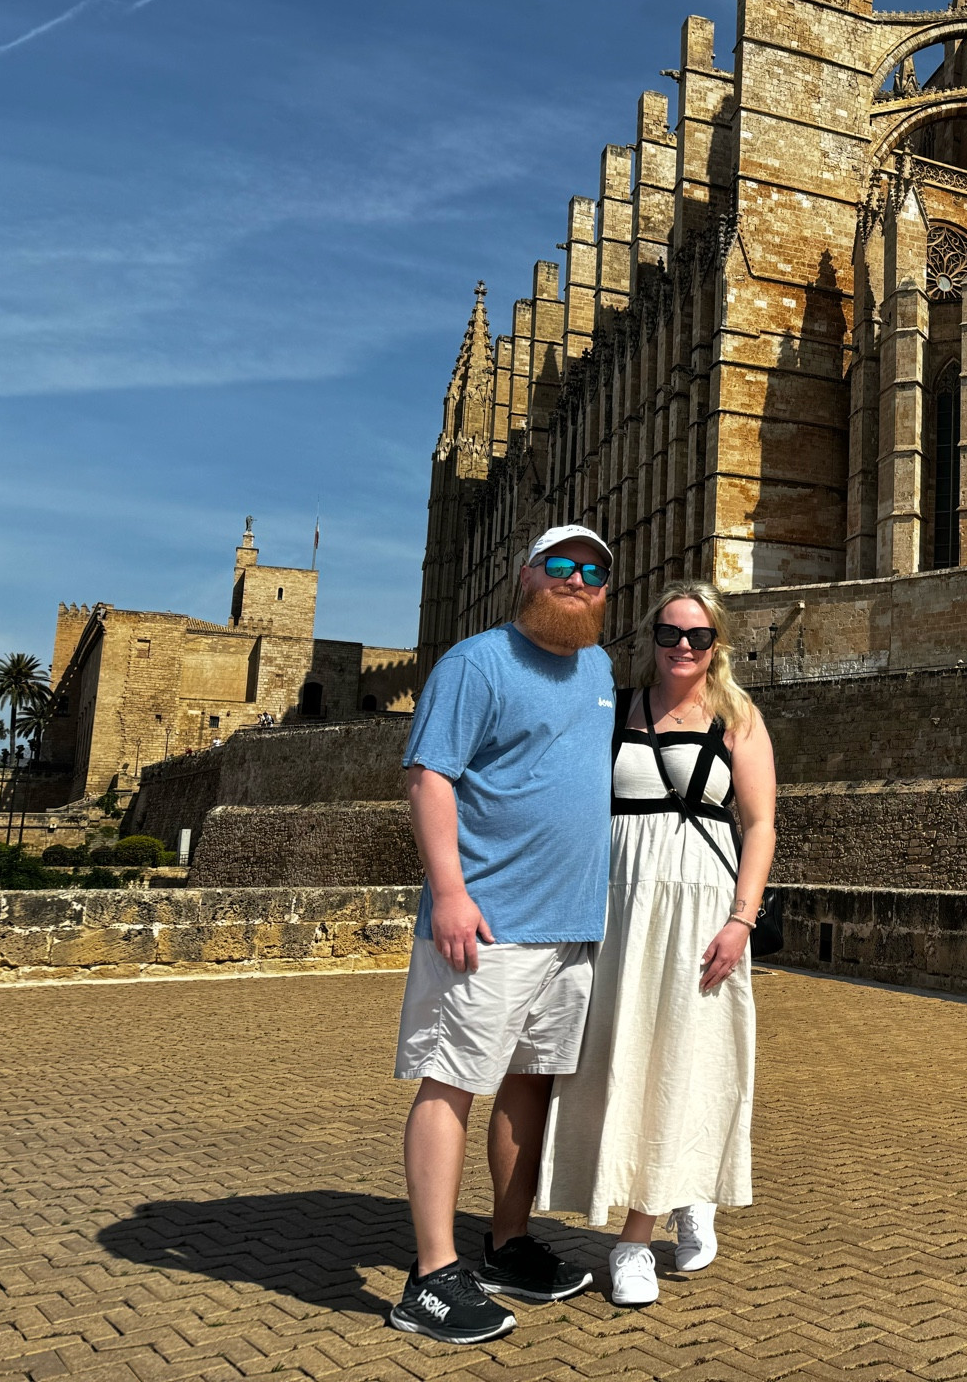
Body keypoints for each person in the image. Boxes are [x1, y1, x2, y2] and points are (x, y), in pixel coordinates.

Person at [385, 526, 618, 1344]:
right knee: (450, 1081)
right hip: (487, 922)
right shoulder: (476, 663)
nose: (578, 580)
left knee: (531, 1081)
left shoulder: (599, 668)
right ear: (527, 575)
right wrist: (450, 892)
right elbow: (428, 778)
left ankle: (506, 1244)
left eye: (593, 571)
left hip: (569, 927)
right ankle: (430, 1277)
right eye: (562, 565)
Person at [539, 580, 777, 1308]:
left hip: (700, 907)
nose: (683, 646)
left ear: (717, 644)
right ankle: (684, 1188)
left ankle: (635, 1242)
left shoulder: (738, 717)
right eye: (670, 633)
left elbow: (760, 824)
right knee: (622, 1058)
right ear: (651, 638)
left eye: (698, 636)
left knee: (684, 1057)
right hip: (620, 905)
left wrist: (741, 920)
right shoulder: (618, 710)